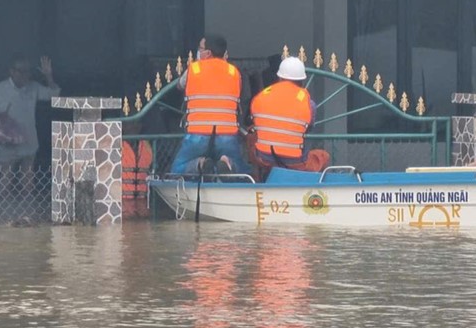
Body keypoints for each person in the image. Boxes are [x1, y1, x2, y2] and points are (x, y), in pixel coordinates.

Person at [170, 34, 250, 175]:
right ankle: (227, 163)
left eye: (201, 49)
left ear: (208, 53)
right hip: (227, 134)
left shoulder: (194, 69)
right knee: (240, 168)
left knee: (177, 170)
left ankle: (199, 165)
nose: (199, 52)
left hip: (198, 133)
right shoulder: (234, 72)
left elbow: (180, 86)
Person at [0, 56, 60, 194]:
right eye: (20, 71)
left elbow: (54, 94)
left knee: (28, 181)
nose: (24, 75)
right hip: (7, 141)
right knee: (5, 180)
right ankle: (3, 213)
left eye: (27, 71)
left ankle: (28, 213)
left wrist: (48, 76)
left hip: (29, 140)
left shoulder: (33, 87)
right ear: (11, 71)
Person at [249, 56, 331, 173]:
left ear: (279, 77)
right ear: (302, 80)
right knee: (323, 156)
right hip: (294, 161)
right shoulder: (308, 103)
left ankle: (257, 180)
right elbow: (308, 128)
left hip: (264, 158)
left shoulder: (262, 96)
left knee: (251, 136)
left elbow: (255, 122)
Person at [122, 119, 153, 218]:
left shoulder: (146, 145)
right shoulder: (116, 145)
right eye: (129, 124)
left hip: (142, 200)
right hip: (123, 201)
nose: (132, 127)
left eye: (135, 124)